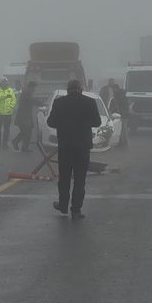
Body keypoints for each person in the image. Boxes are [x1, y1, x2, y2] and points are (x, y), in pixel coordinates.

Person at [47, 80, 101, 219]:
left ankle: (63, 205)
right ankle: (76, 210)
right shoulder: (89, 102)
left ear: (68, 89)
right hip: (82, 147)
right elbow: (97, 122)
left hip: (65, 147)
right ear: (80, 89)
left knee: (64, 178)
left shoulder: (59, 102)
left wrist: (63, 123)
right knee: (80, 179)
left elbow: (51, 122)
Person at [11, 81, 39, 152]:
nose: (34, 90)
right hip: (24, 117)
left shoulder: (27, 92)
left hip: (25, 116)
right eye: (34, 88)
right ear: (31, 87)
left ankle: (22, 146)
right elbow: (32, 101)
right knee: (26, 132)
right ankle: (18, 143)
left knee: (26, 132)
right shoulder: (26, 93)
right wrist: (42, 103)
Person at [0, 77, 17, 149]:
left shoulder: (10, 90)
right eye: (3, 82)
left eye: (5, 82)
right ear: (0, 83)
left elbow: (14, 100)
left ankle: (5, 144)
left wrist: (11, 107)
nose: (4, 83)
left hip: (8, 113)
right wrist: (6, 96)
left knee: (7, 130)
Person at [108, 83, 130, 147]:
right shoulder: (121, 94)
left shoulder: (118, 95)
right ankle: (122, 142)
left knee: (122, 129)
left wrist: (121, 114)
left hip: (122, 115)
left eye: (113, 89)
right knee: (121, 129)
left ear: (116, 88)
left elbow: (119, 106)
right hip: (123, 114)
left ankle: (123, 143)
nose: (112, 90)